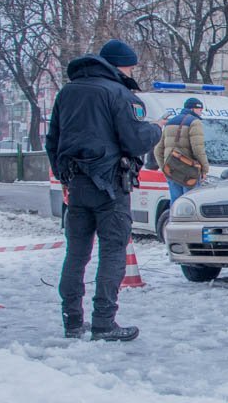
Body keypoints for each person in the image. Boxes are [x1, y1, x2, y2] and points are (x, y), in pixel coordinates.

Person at [45, 39, 162, 342]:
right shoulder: (120, 94)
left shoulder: (67, 93)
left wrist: (64, 177)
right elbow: (135, 142)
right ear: (121, 66)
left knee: (76, 254)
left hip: (77, 184)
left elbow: (52, 141)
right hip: (111, 185)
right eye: (130, 66)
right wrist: (157, 128)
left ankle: (72, 321)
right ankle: (104, 322)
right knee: (112, 252)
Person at [154, 97, 210, 200]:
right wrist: (205, 169)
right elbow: (198, 150)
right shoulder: (195, 122)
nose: (201, 113)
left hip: (171, 169)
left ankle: (174, 217)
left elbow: (158, 150)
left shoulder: (170, 122)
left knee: (176, 203)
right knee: (190, 202)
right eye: (200, 110)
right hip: (189, 170)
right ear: (193, 109)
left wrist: (165, 167)